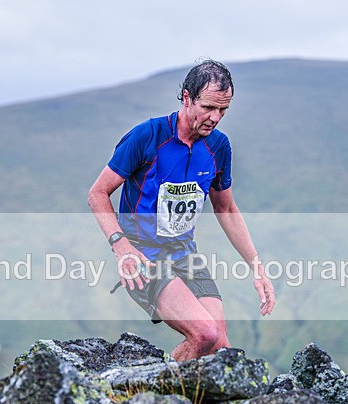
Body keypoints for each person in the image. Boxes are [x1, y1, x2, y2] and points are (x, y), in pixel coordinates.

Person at [88, 59, 275, 362]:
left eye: (223, 110)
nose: (215, 118)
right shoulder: (147, 136)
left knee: (220, 350)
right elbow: (97, 193)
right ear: (187, 98)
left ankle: (177, 399)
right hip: (143, 257)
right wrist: (120, 245)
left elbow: (225, 208)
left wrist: (257, 268)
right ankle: (146, 395)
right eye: (208, 107)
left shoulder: (219, 147)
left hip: (185, 255)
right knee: (205, 334)